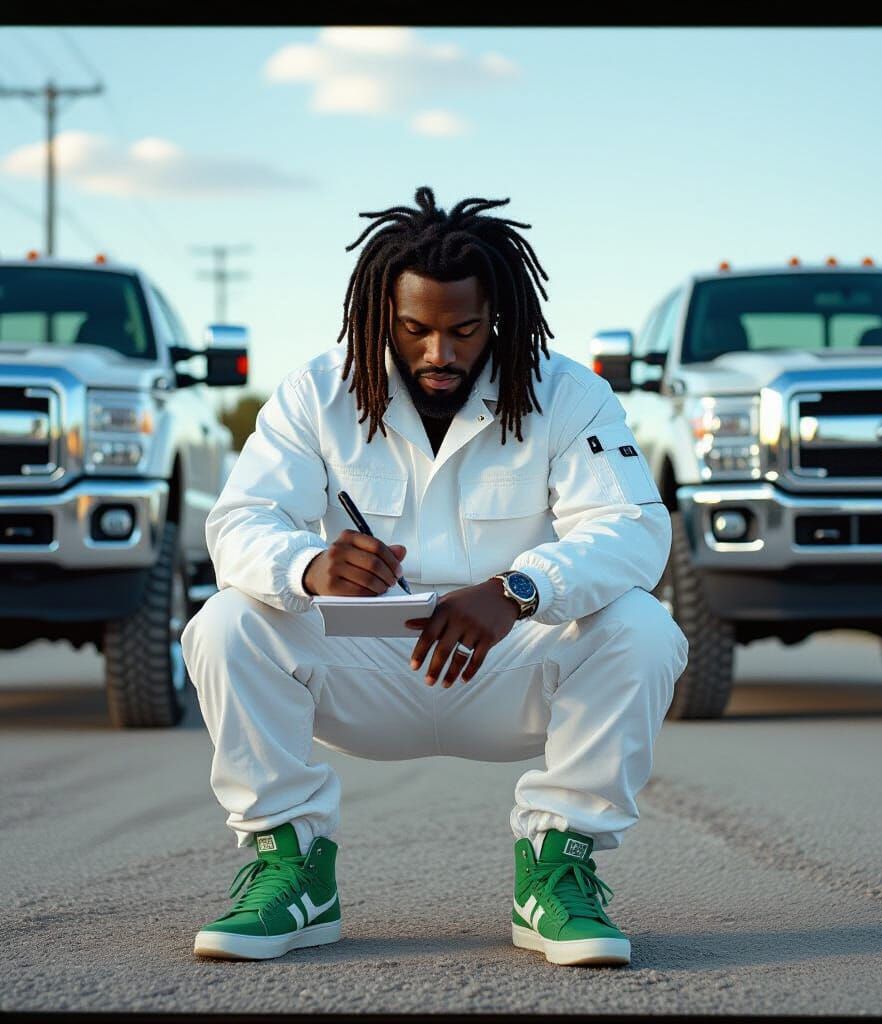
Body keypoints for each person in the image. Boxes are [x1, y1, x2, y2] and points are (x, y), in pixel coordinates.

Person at [181, 186, 689, 966]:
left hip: (506, 667)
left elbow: (634, 529)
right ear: (383, 315)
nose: (440, 354)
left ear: (499, 317)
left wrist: (519, 591)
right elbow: (238, 522)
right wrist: (308, 565)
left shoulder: (569, 394)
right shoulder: (317, 393)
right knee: (226, 621)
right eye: (416, 329)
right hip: (364, 675)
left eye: (463, 330)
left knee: (643, 627)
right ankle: (293, 869)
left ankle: (555, 873)